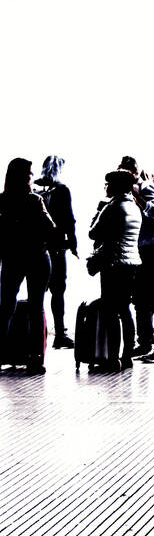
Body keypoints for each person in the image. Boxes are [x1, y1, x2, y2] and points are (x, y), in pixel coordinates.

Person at [0, 158, 60, 374]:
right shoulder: (34, 200)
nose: (32, 176)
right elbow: (51, 228)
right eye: (29, 173)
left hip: (12, 258)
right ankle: (36, 359)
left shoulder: (2, 201)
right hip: (37, 257)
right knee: (36, 307)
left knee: (5, 306)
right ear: (24, 176)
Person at [88, 169, 142, 371]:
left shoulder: (112, 207)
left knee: (110, 312)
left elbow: (93, 233)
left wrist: (98, 211)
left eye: (108, 183)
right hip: (131, 263)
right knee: (125, 310)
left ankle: (112, 359)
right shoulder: (134, 207)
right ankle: (127, 357)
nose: (105, 187)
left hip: (113, 264)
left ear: (115, 186)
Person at [118, 157, 154, 364]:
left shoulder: (146, 187)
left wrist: (140, 198)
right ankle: (145, 342)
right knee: (140, 298)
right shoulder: (130, 190)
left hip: (153, 248)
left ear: (134, 172)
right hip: (139, 249)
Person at [34, 154, 78, 348]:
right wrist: (74, 245)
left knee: (37, 293)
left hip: (38, 248)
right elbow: (69, 221)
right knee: (58, 291)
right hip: (58, 248)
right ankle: (60, 334)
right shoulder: (62, 190)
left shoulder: (36, 189)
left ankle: (36, 336)